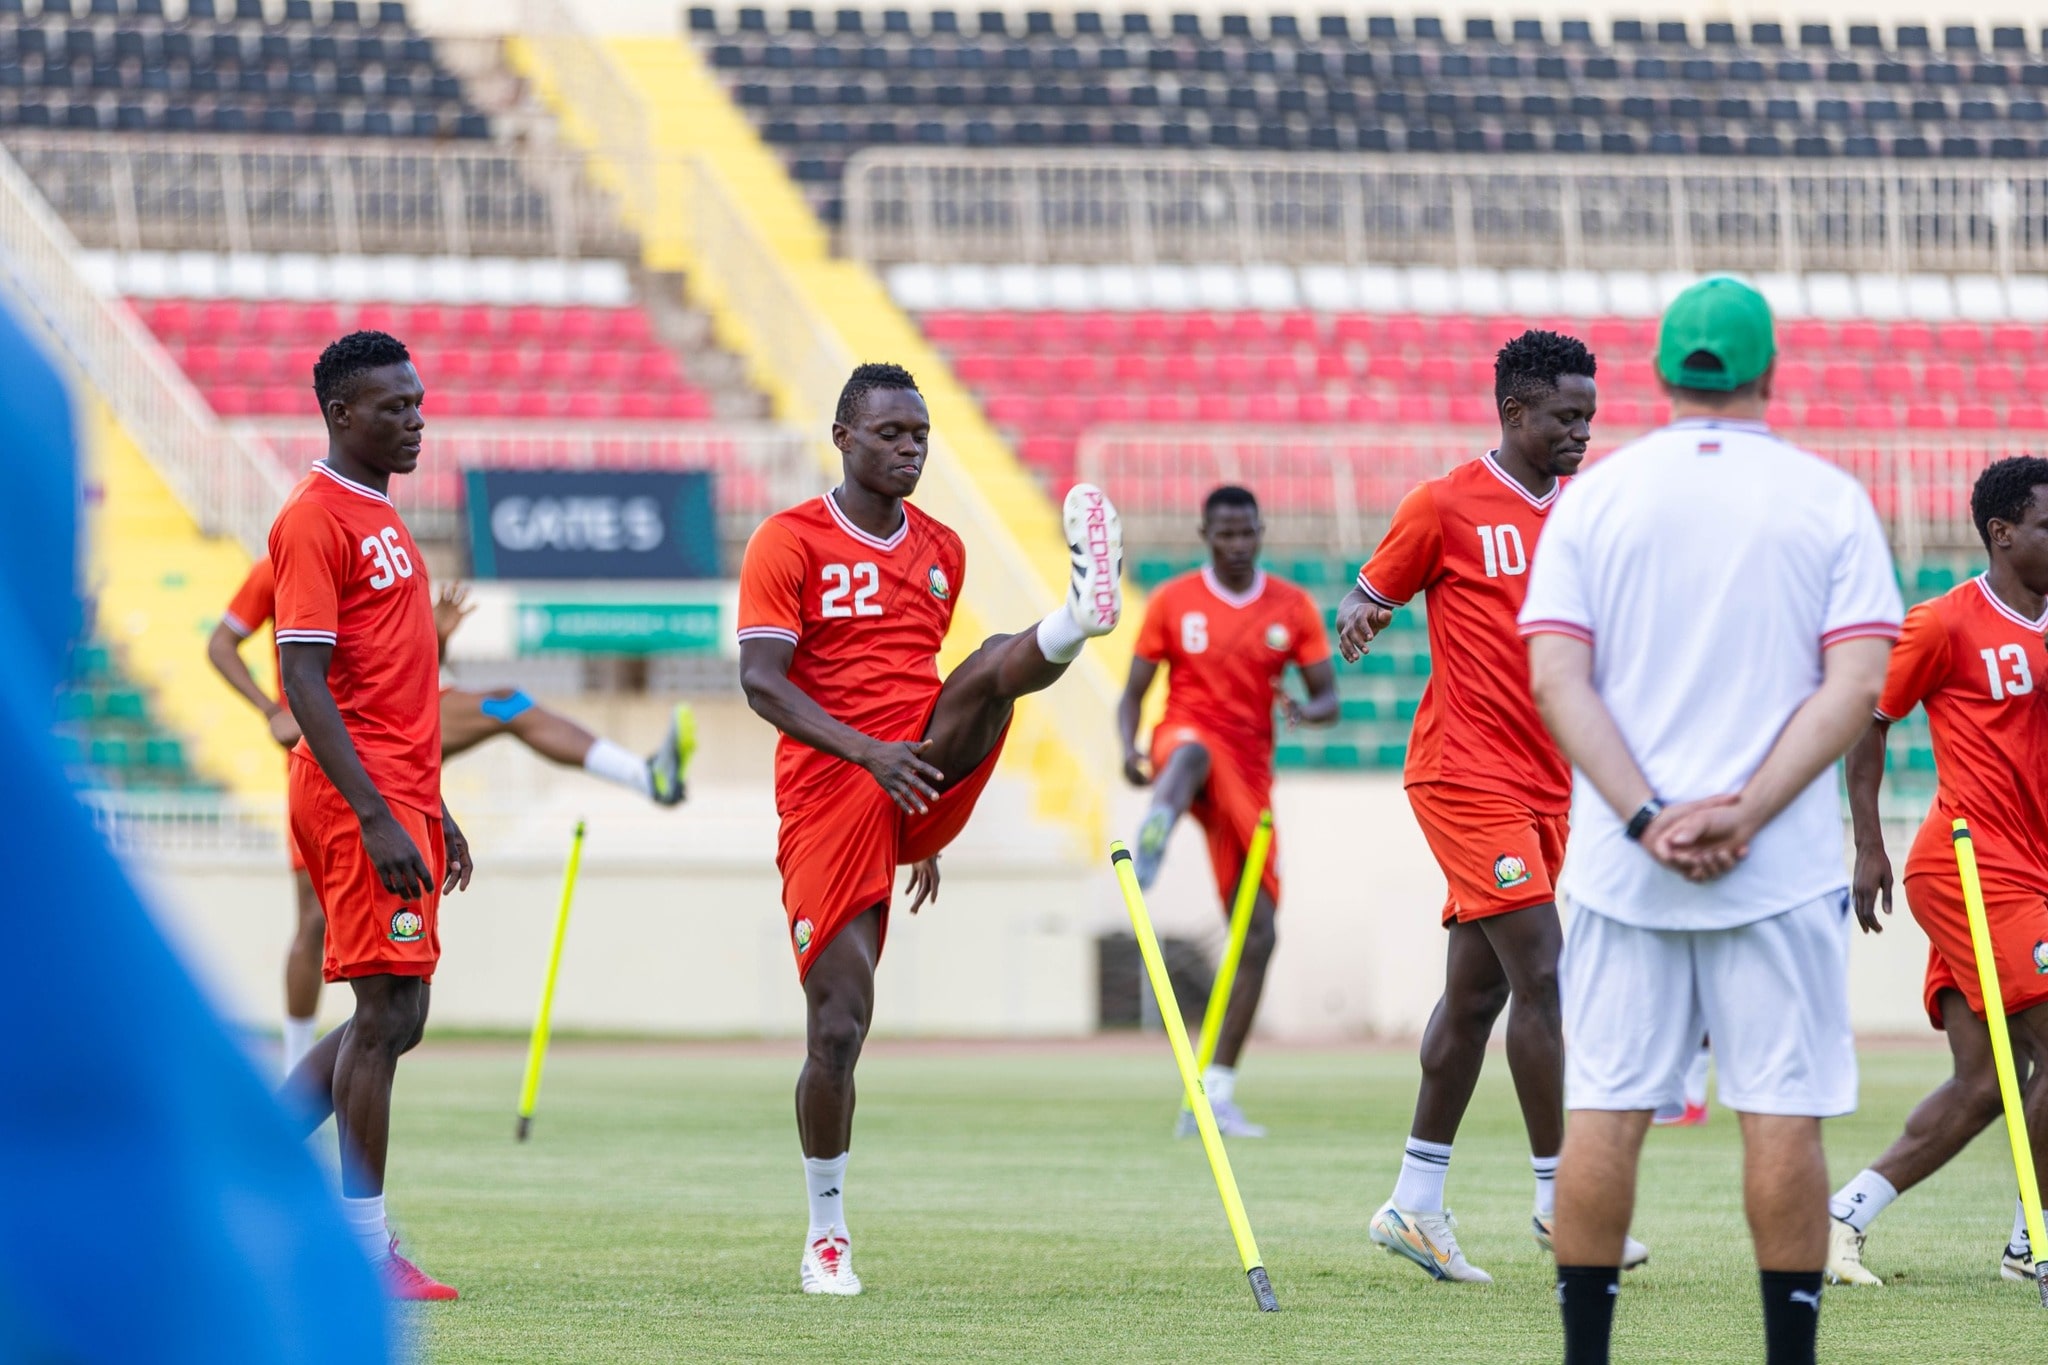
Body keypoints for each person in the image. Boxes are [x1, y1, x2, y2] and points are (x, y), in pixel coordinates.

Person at [1520, 275, 1901, 1365]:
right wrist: (1744, 812)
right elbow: (1854, 681)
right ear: (1767, 370)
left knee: (1605, 1105)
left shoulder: (1597, 497)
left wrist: (1645, 818)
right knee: (1779, 1112)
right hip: (1773, 867)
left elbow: (1556, 678)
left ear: (1655, 375)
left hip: (1620, 864)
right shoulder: (1823, 497)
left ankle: (1584, 1356)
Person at [736, 362, 1122, 1296]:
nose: (910, 447)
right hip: (832, 793)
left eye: (920, 434)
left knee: (989, 667)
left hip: (916, 772)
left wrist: (929, 816)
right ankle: (826, 1232)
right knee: (838, 1026)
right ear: (844, 436)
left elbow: (920, 679)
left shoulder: (944, 548)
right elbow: (762, 682)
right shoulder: (787, 542)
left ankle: (1075, 615)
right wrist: (867, 753)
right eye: (890, 433)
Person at [1335, 330, 1636, 1282]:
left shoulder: (1589, 515)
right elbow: (1369, 589)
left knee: (1477, 998)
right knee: (1545, 973)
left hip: (1552, 785)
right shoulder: (1444, 505)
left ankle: (1414, 1205)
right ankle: (1566, 1203)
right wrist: (1363, 610)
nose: (1582, 431)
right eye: (1565, 415)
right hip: (1465, 775)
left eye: (1589, 414)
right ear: (1515, 412)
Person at [210, 570, 695, 1074]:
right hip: (327, 749)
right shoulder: (292, 552)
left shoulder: (384, 545)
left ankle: (645, 774)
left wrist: (436, 639)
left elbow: (399, 668)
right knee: (313, 923)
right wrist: (271, 711)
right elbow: (222, 644)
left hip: (386, 731)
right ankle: (293, 1071)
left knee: (509, 703)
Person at [272, 330, 476, 1302]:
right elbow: (301, 678)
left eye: (418, 403)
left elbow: (392, 683)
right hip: (358, 798)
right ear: (340, 414)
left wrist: (432, 805)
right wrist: (377, 816)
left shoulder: (381, 517)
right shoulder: (317, 520)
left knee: (400, 1014)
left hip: (399, 791)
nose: (415, 420)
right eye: (393, 407)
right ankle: (359, 1247)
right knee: (385, 1010)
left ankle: (254, 1159)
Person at [1825, 455, 2048, 1289]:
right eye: (2047, 525)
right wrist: (1868, 844)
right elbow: (1868, 722)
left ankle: (1843, 1217)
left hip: (2030, 869)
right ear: (2002, 533)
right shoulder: (1944, 623)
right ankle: (2034, 1245)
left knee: (1986, 1082)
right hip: (1972, 864)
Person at [1117, 484, 1337, 1139]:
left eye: (1248, 534)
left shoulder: (1291, 607)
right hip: (1182, 740)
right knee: (1190, 753)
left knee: (1260, 931)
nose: (1238, 546)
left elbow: (1329, 696)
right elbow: (1133, 692)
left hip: (1248, 773)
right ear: (1205, 534)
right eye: (1226, 535)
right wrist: (1127, 744)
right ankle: (1158, 822)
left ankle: (1215, 1092)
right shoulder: (1172, 601)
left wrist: (1302, 708)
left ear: (1260, 531)